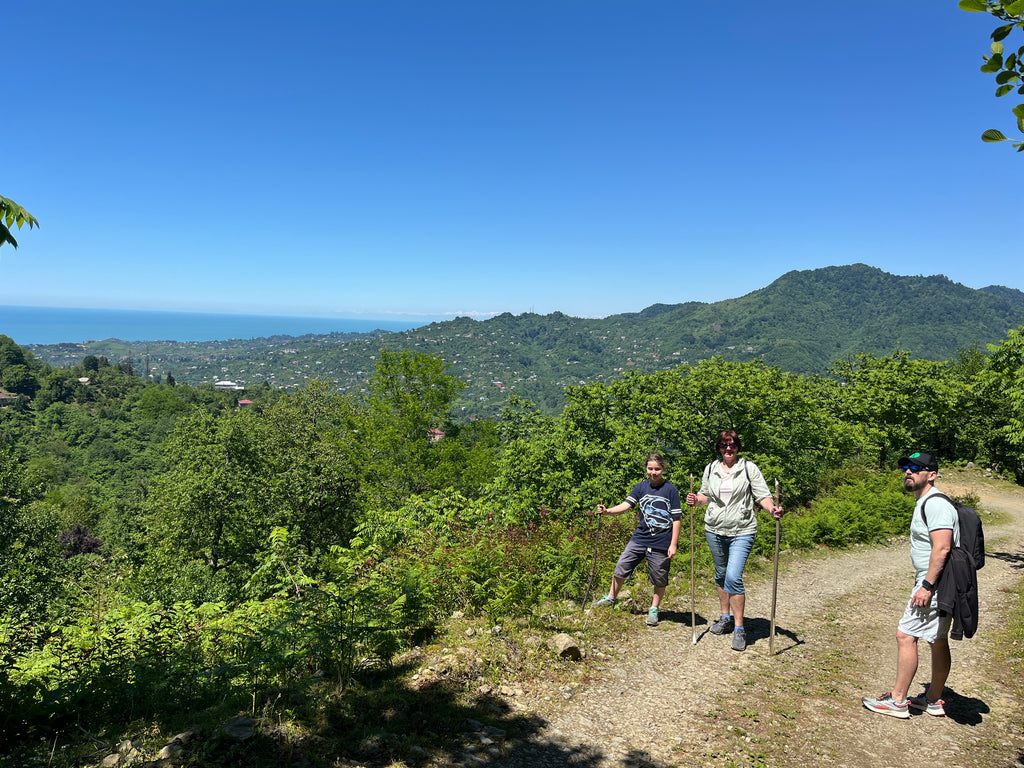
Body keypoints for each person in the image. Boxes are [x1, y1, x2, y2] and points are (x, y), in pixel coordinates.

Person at [861, 451, 959, 719]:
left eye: (916, 467)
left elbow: (942, 548)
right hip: (944, 583)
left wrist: (926, 585)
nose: (908, 471)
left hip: (935, 584)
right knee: (937, 639)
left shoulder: (935, 504)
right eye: (906, 467)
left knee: (906, 635)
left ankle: (897, 700)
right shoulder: (929, 502)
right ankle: (933, 700)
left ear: (932, 474)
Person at [686, 430, 783, 651]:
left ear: (738, 447)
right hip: (715, 529)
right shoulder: (711, 468)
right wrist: (696, 499)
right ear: (718, 448)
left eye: (731, 445)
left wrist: (772, 509)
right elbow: (705, 496)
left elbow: (762, 495)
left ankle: (740, 628)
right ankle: (725, 618)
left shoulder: (748, 468)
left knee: (733, 576)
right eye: (723, 446)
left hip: (742, 530)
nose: (727, 449)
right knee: (720, 574)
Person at [591, 453, 683, 627]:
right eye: (650, 468)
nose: (653, 472)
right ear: (646, 468)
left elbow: (676, 519)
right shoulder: (640, 487)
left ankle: (654, 609)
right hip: (640, 538)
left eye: (657, 469)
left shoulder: (671, 490)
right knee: (622, 566)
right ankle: (611, 597)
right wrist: (607, 511)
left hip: (662, 541)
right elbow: (627, 505)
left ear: (663, 469)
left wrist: (673, 543)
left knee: (659, 577)